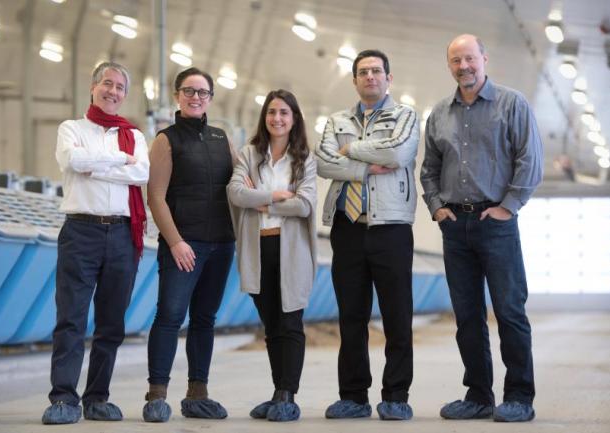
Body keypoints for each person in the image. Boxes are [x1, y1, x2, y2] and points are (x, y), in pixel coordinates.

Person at [420, 34, 543, 423]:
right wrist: (438, 208)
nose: (464, 67)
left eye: (470, 58)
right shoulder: (439, 113)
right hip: (456, 226)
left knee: (509, 311)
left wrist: (508, 207)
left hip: (497, 223)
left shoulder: (512, 104)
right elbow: (429, 170)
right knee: (467, 316)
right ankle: (478, 396)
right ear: (449, 66)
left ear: (484, 59)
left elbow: (530, 161)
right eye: (456, 60)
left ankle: (520, 396)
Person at [314, 49, 419, 421]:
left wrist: (352, 150)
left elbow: (399, 153)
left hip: (391, 227)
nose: (370, 77)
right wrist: (366, 169)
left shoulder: (405, 116)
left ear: (389, 78)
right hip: (348, 228)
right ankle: (354, 396)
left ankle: (396, 395)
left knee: (396, 316)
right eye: (363, 72)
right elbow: (324, 161)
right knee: (352, 317)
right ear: (354, 80)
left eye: (377, 71)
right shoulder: (336, 119)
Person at [43, 61, 149, 424]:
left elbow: (142, 173)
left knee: (111, 323)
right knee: (70, 318)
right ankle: (63, 399)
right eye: (108, 84)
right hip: (80, 232)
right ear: (93, 87)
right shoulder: (71, 128)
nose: (113, 92)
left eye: (120, 87)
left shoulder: (134, 135)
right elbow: (73, 160)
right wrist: (119, 160)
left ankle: (97, 397)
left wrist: (97, 166)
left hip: (122, 234)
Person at [143, 67, 235, 423]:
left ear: (211, 98)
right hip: (184, 244)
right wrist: (176, 241)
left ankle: (198, 393)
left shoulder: (221, 137)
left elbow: (241, 180)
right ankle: (157, 394)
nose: (196, 98)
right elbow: (155, 196)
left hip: (220, 245)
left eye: (202, 92)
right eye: (188, 91)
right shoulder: (166, 140)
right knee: (169, 316)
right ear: (177, 96)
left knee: (204, 319)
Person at [227, 89, 317, 422]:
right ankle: (278, 390)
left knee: (290, 320)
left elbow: (304, 204)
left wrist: (261, 200)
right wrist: (277, 196)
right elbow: (235, 193)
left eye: (284, 113)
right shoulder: (249, 155)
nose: (277, 118)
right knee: (271, 325)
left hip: (291, 249)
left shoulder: (305, 159)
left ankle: (287, 394)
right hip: (258, 246)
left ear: (294, 119)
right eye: (271, 112)